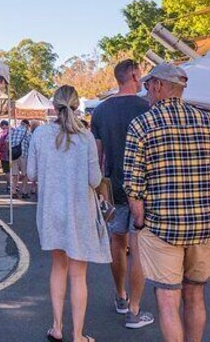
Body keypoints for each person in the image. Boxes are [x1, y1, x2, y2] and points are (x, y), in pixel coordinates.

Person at [125, 63, 210, 342]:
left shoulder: (142, 124)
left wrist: (139, 220)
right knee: (195, 295)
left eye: (147, 86)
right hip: (203, 226)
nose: (146, 91)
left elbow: (133, 184)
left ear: (158, 86)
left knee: (167, 299)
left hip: (161, 225)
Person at [27, 85, 110, 342]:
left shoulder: (40, 134)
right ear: (76, 106)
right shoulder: (85, 136)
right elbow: (95, 179)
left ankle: (57, 327)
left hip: (51, 211)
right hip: (80, 212)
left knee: (58, 268)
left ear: (54, 106)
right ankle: (78, 335)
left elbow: (31, 174)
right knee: (78, 275)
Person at [89, 59, 154, 329]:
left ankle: (120, 296)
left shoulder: (101, 111)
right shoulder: (148, 107)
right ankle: (135, 309)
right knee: (139, 248)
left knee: (117, 243)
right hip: (144, 187)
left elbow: (97, 156)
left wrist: (97, 189)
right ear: (134, 75)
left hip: (114, 186)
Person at [10, 119, 31, 197]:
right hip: (23, 155)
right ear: (26, 125)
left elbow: (7, 141)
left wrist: (10, 152)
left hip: (13, 155)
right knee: (24, 174)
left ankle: (14, 191)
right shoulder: (27, 133)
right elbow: (31, 144)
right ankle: (24, 192)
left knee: (14, 174)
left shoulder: (13, 131)